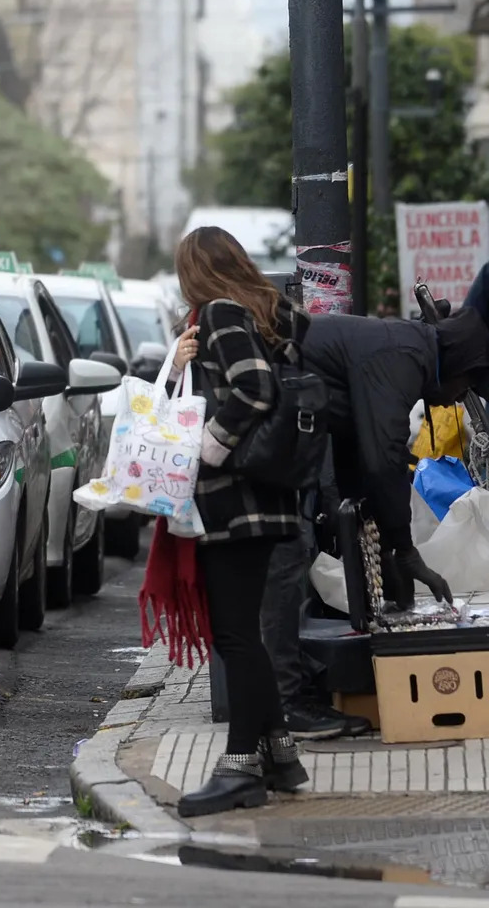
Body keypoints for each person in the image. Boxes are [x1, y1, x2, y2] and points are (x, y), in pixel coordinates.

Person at [168, 227, 310, 817]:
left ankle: (240, 768)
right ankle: (279, 754)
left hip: (235, 500)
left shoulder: (222, 312)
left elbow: (254, 389)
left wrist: (209, 447)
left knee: (235, 636)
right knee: (244, 630)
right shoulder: (262, 313)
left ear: (195, 271)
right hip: (267, 498)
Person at [298, 308, 482, 611]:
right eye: (465, 387)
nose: (459, 399)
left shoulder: (409, 349)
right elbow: (382, 460)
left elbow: (358, 448)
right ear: (456, 367)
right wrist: (405, 550)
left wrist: (386, 553)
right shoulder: (403, 356)